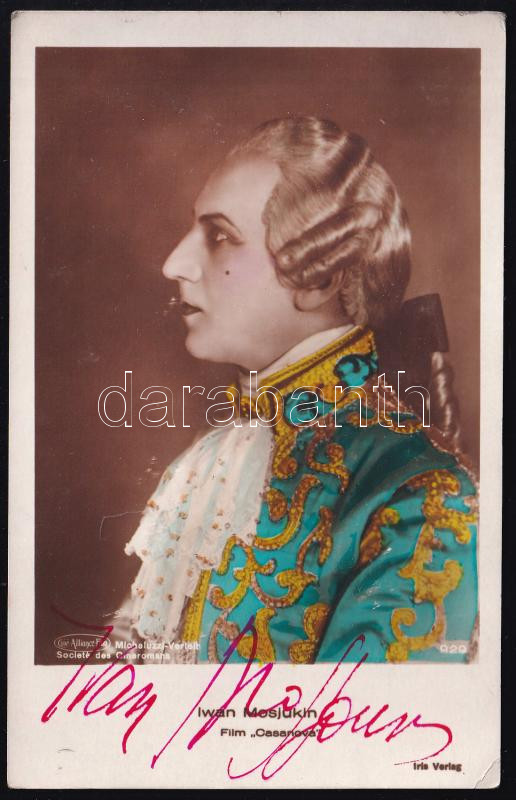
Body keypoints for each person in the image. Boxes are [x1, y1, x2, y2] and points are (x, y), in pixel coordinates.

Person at [115, 117, 478, 665]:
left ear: (322, 279)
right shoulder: (208, 461)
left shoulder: (421, 493)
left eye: (220, 236)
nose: (175, 263)